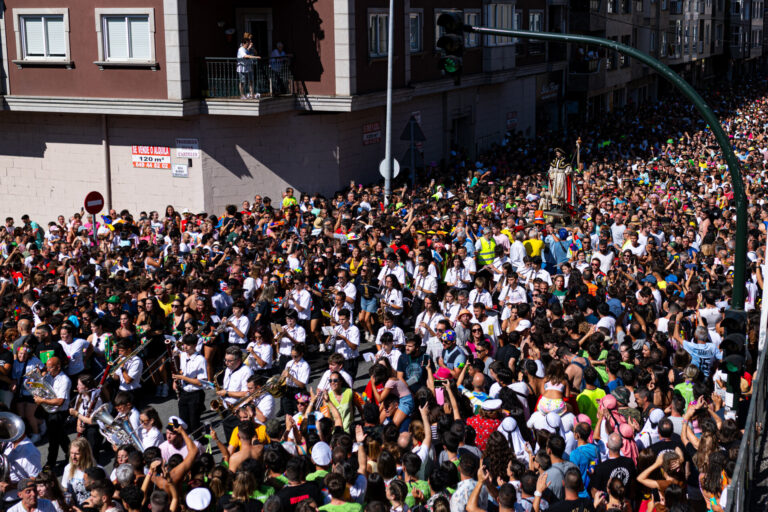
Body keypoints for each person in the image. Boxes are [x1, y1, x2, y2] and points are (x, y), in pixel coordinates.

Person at [37, 357, 70, 471]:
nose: (48, 369)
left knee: (54, 439)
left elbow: (60, 401)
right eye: (47, 366)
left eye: (50, 367)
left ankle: (50, 463)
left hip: (59, 413)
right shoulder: (49, 377)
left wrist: (42, 401)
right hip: (50, 411)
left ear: (58, 367)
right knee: (60, 437)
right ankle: (70, 456)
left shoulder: (64, 380)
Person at [172, 334, 207, 437]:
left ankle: (200, 442)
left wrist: (182, 378)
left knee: (194, 423)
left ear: (195, 345)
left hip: (195, 394)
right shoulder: (182, 355)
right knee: (183, 421)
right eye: (184, 345)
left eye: (188, 345)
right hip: (184, 392)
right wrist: (175, 381)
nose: (185, 347)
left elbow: (201, 382)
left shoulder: (200, 360)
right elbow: (181, 370)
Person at [217, 347, 253, 440]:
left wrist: (227, 393)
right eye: (225, 360)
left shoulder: (246, 372)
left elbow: (247, 394)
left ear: (238, 360)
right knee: (229, 438)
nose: (226, 363)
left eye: (230, 361)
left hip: (237, 411)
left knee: (238, 439)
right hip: (226, 408)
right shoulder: (228, 369)